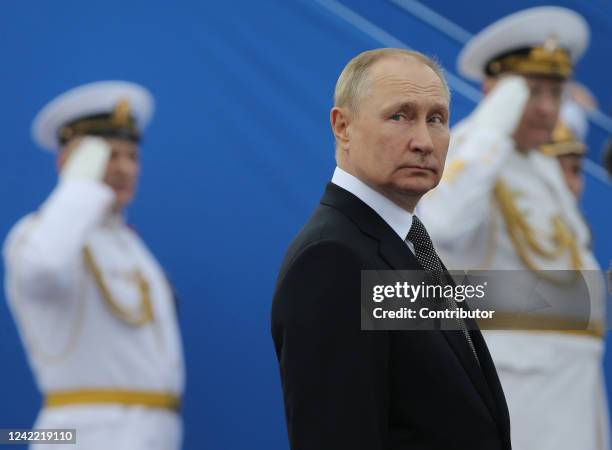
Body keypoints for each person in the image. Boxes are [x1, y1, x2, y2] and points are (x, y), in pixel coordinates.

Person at [271, 48, 511, 450]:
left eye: (436, 119)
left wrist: (590, 296)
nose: (423, 141)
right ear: (342, 126)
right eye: (399, 115)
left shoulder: (405, 243)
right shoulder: (333, 259)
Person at [418, 7, 608, 450]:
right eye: (531, 92)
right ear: (494, 92)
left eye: (556, 92)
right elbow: (441, 224)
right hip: (517, 398)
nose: (546, 109)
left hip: (573, 397)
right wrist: (494, 122)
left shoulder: (540, 165)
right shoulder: (471, 151)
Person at [3, 81, 185, 450]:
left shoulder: (131, 245)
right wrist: (81, 186)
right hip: (83, 435)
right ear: (69, 164)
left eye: (131, 157)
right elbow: (43, 268)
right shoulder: (35, 234)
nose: (123, 169)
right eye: (108, 156)